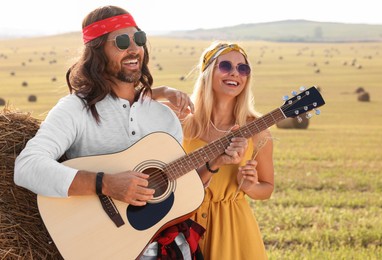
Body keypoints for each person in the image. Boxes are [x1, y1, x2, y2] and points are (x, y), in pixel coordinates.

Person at [13, 6, 248, 260]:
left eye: (139, 39)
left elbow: (178, 193)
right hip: (105, 249)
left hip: (169, 249)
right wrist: (105, 183)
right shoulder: (75, 109)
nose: (134, 48)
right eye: (122, 42)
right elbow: (27, 166)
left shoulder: (164, 117)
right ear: (97, 50)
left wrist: (213, 164)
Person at [181, 41, 275, 259]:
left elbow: (267, 188)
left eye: (243, 69)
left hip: (232, 232)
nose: (235, 73)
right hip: (181, 223)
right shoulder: (180, 123)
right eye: (225, 66)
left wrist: (251, 186)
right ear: (208, 72)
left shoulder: (257, 129)